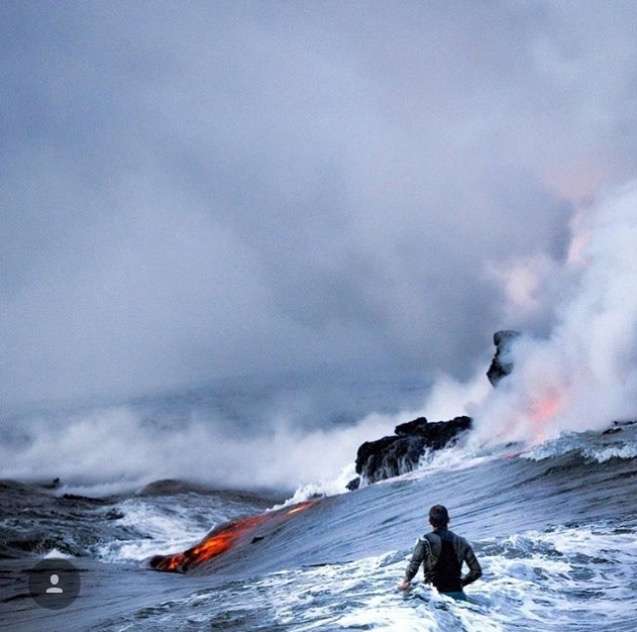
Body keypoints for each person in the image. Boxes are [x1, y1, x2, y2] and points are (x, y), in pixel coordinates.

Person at [398, 504, 481, 598]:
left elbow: (414, 565)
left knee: (406, 593)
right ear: (448, 520)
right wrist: (460, 584)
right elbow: (476, 571)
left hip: (434, 595)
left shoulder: (425, 540)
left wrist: (405, 582)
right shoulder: (461, 541)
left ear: (430, 521)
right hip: (457, 593)